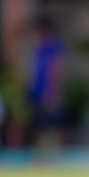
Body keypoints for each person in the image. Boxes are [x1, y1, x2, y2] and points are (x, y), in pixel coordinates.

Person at [27, 16, 69, 151]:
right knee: (38, 127)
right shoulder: (40, 47)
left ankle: (57, 154)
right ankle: (39, 155)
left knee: (54, 127)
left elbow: (57, 70)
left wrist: (54, 92)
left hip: (49, 93)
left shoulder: (55, 46)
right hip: (37, 93)